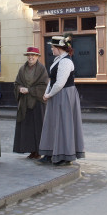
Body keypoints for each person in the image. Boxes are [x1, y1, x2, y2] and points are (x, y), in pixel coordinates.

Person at [37, 35, 85, 166]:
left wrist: (49, 94)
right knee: (52, 123)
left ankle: (65, 155)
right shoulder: (58, 59)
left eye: (53, 47)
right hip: (57, 94)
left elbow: (60, 83)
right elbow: (52, 80)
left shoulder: (66, 62)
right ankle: (50, 152)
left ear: (59, 48)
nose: (51, 49)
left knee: (64, 124)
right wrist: (47, 93)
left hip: (64, 95)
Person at [13, 46, 49, 159]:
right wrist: (20, 89)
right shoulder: (22, 69)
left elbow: (44, 86)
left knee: (38, 127)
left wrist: (29, 90)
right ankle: (31, 150)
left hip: (38, 103)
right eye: (29, 55)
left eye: (33, 55)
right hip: (25, 103)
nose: (30, 57)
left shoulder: (42, 69)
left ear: (37, 57)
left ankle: (38, 151)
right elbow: (16, 83)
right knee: (27, 128)